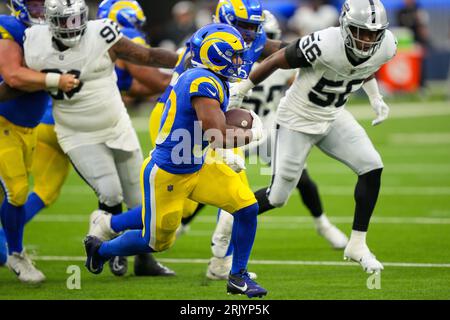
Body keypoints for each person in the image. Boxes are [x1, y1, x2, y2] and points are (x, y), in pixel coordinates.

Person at [85, 23, 268, 298]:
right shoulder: (202, 82)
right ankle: (101, 249)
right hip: (168, 172)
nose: (239, 61)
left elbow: (210, 129)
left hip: (198, 164)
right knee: (155, 242)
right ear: (216, 55)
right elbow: (217, 134)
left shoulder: (212, 77)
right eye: (234, 55)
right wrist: (252, 133)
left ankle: (238, 276)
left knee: (246, 207)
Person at [12, 0, 177, 279]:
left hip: (117, 126)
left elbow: (146, 56)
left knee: (140, 198)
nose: (72, 27)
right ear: (51, 21)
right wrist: (48, 82)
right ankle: (109, 250)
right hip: (76, 132)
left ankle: (143, 260)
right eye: (65, 21)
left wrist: (188, 58)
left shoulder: (102, 32)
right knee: (110, 193)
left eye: (77, 19)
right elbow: (15, 77)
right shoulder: (33, 41)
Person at [230, 0, 397, 274]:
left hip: (333, 115)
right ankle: (230, 216)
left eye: (373, 34)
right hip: (297, 119)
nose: (367, 40)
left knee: (372, 166)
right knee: (277, 197)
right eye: (361, 32)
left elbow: (366, 66)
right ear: (345, 26)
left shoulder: (386, 44)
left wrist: (375, 98)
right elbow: (275, 60)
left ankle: (357, 244)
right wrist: (244, 87)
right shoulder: (323, 43)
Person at [201, 9, 349, 281]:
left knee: (301, 179)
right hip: (235, 134)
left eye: (267, 37)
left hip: (266, 131)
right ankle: (209, 247)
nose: (261, 45)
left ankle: (323, 224)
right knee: (219, 186)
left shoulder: (279, 66)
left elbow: (300, 79)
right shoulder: (228, 63)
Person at [148, 0, 289, 281]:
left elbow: (281, 51)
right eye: (243, 26)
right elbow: (200, 107)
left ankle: (222, 261)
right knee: (180, 204)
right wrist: (240, 137)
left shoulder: (254, 40)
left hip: (216, 120)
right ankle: (111, 228)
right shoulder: (204, 47)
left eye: (253, 27)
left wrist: (320, 46)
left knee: (237, 193)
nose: (248, 34)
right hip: (181, 124)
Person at [0, 0, 77, 283]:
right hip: (3, 123)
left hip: (28, 127)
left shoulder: (48, 31)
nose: (40, 9)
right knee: (18, 192)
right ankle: (17, 255)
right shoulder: (9, 26)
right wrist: (55, 80)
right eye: (34, 3)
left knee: (7, 195)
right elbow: (12, 75)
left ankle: (7, 249)